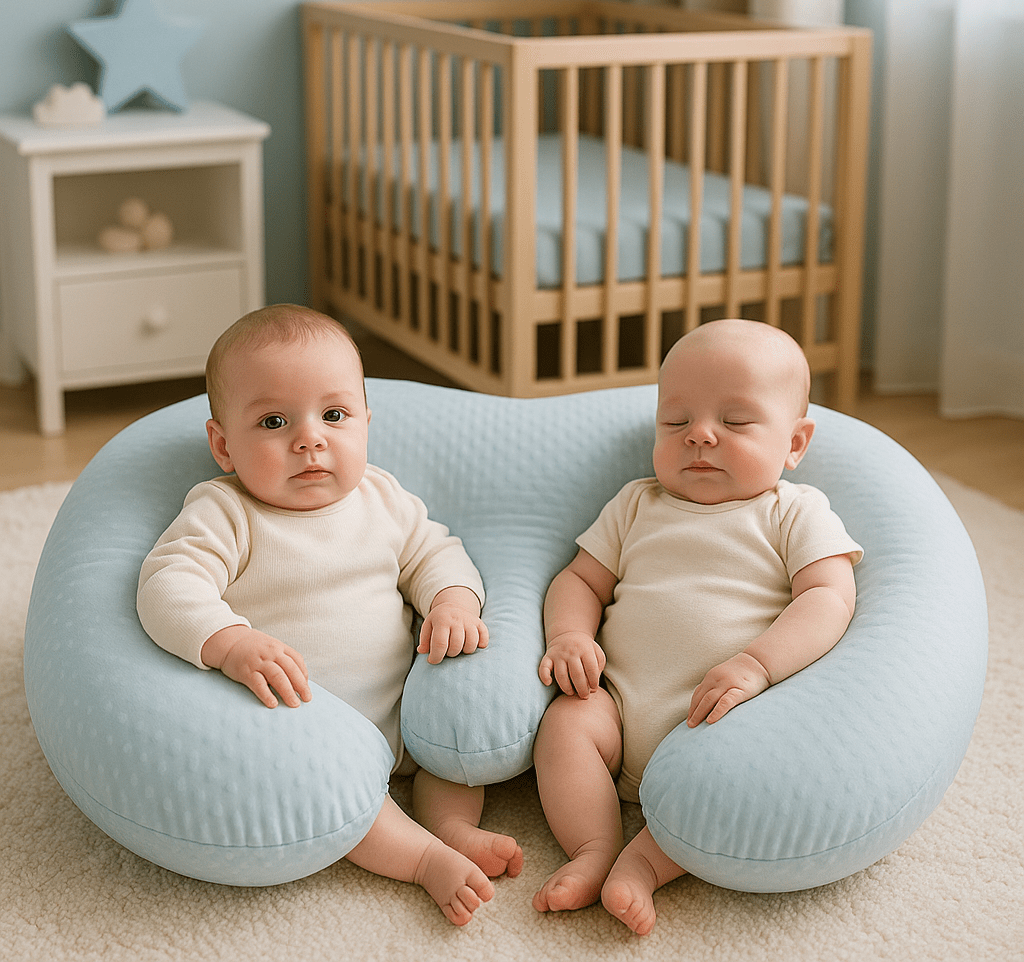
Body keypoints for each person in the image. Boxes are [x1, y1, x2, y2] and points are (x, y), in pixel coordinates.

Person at [137, 304, 522, 926]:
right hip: (304, 728)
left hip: (405, 712)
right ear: (223, 444)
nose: (309, 438)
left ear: (366, 422)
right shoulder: (227, 512)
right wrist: (230, 641)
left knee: (452, 758)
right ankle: (423, 858)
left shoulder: (383, 498)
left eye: (335, 415)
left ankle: (452, 827)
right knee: (343, 801)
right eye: (273, 421)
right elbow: (167, 584)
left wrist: (451, 599)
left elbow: (435, 553)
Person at [532, 318, 863, 935]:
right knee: (565, 726)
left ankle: (646, 863)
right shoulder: (636, 503)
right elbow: (578, 580)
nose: (700, 436)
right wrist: (569, 636)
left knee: (726, 785)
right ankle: (592, 847)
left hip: (721, 713)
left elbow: (828, 598)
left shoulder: (792, 511)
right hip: (618, 705)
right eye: (674, 422)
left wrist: (757, 665)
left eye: (735, 423)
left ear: (794, 444)